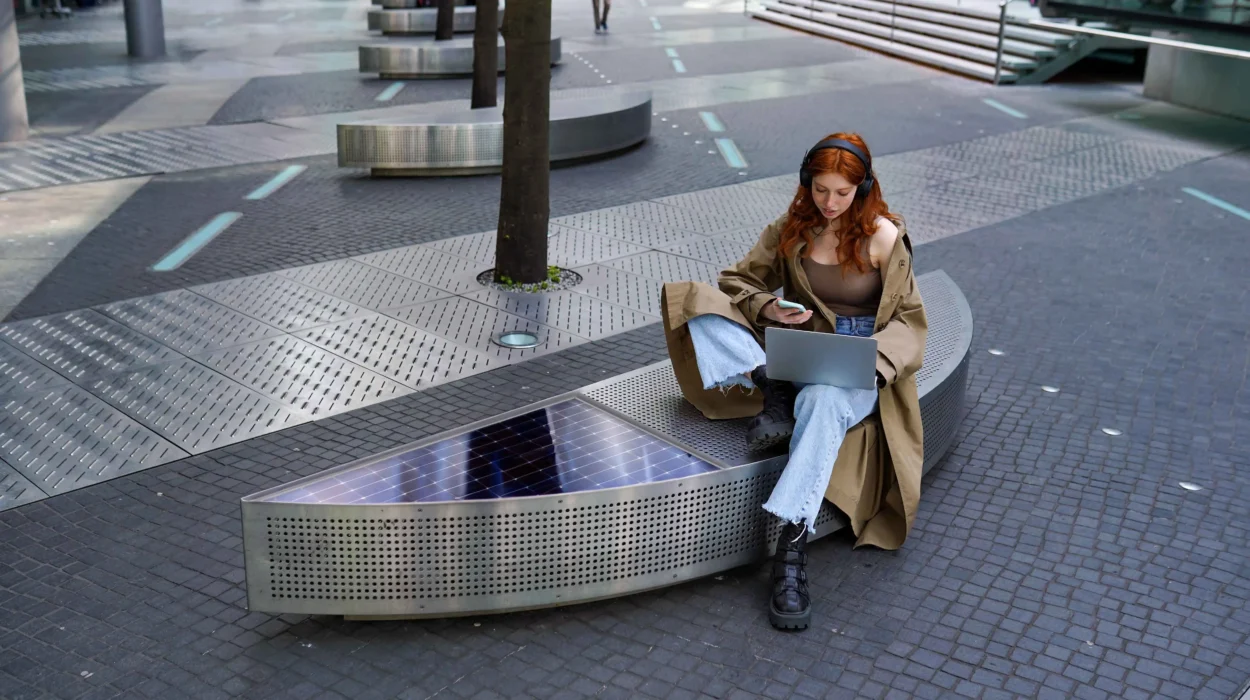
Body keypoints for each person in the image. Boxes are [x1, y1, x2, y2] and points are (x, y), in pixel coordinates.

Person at [660, 132, 928, 631]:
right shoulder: (791, 227)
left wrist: (873, 365)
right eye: (820, 189)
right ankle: (773, 383)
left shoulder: (885, 237)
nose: (829, 203)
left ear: (864, 187)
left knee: (825, 398)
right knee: (695, 300)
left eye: (842, 193)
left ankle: (791, 545)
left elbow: (910, 322)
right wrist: (768, 306)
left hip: (854, 364)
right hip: (794, 348)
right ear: (808, 183)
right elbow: (735, 281)